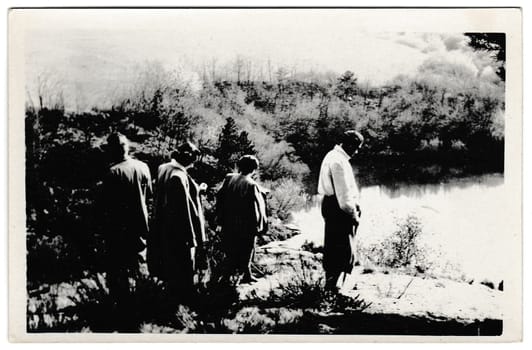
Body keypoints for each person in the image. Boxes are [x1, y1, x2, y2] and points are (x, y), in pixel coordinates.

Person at [147, 141, 207, 301]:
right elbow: (184, 213)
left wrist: (196, 190)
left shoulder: (163, 168)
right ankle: (181, 309)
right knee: (184, 272)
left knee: (167, 272)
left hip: (162, 228)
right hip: (179, 234)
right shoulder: (178, 177)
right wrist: (192, 239)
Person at [101, 132, 152, 306]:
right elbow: (149, 197)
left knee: (117, 271)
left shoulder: (112, 173)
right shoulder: (143, 167)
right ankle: (144, 303)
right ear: (127, 147)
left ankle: (122, 307)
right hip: (140, 227)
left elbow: (106, 208)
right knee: (139, 266)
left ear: (112, 150)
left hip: (118, 231)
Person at [317, 130, 364, 292]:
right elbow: (343, 196)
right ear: (348, 144)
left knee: (334, 246)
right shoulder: (338, 162)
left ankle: (331, 286)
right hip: (338, 208)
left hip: (331, 205)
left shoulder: (333, 156)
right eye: (356, 147)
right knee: (342, 249)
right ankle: (334, 288)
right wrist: (354, 214)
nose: (357, 151)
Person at [216, 155, 267, 284]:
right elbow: (255, 208)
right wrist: (259, 227)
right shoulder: (252, 185)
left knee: (230, 250)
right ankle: (246, 275)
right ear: (254, 170)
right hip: (245, 225)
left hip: (229, 221)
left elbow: (220, 196)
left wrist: (220, 218)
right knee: (247, 249)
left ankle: (226, 277)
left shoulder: (229, 178)